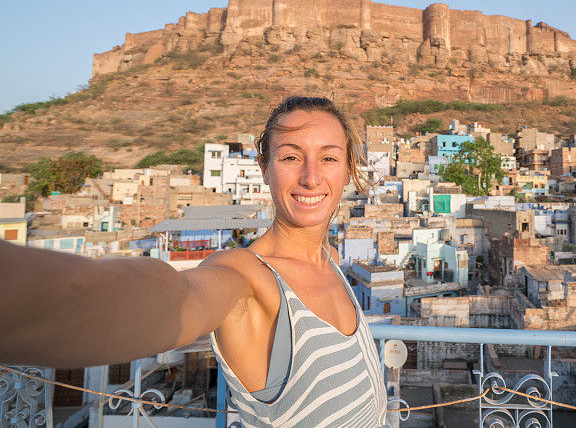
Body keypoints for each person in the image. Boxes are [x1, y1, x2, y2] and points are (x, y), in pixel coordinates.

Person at [0, 95, 389, 427]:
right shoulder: (247, 278)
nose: (310, 177)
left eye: (329, 158)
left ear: (349, 169)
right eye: (291, 157)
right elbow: (180, 298)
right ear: (263, 167)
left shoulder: (330, 261)